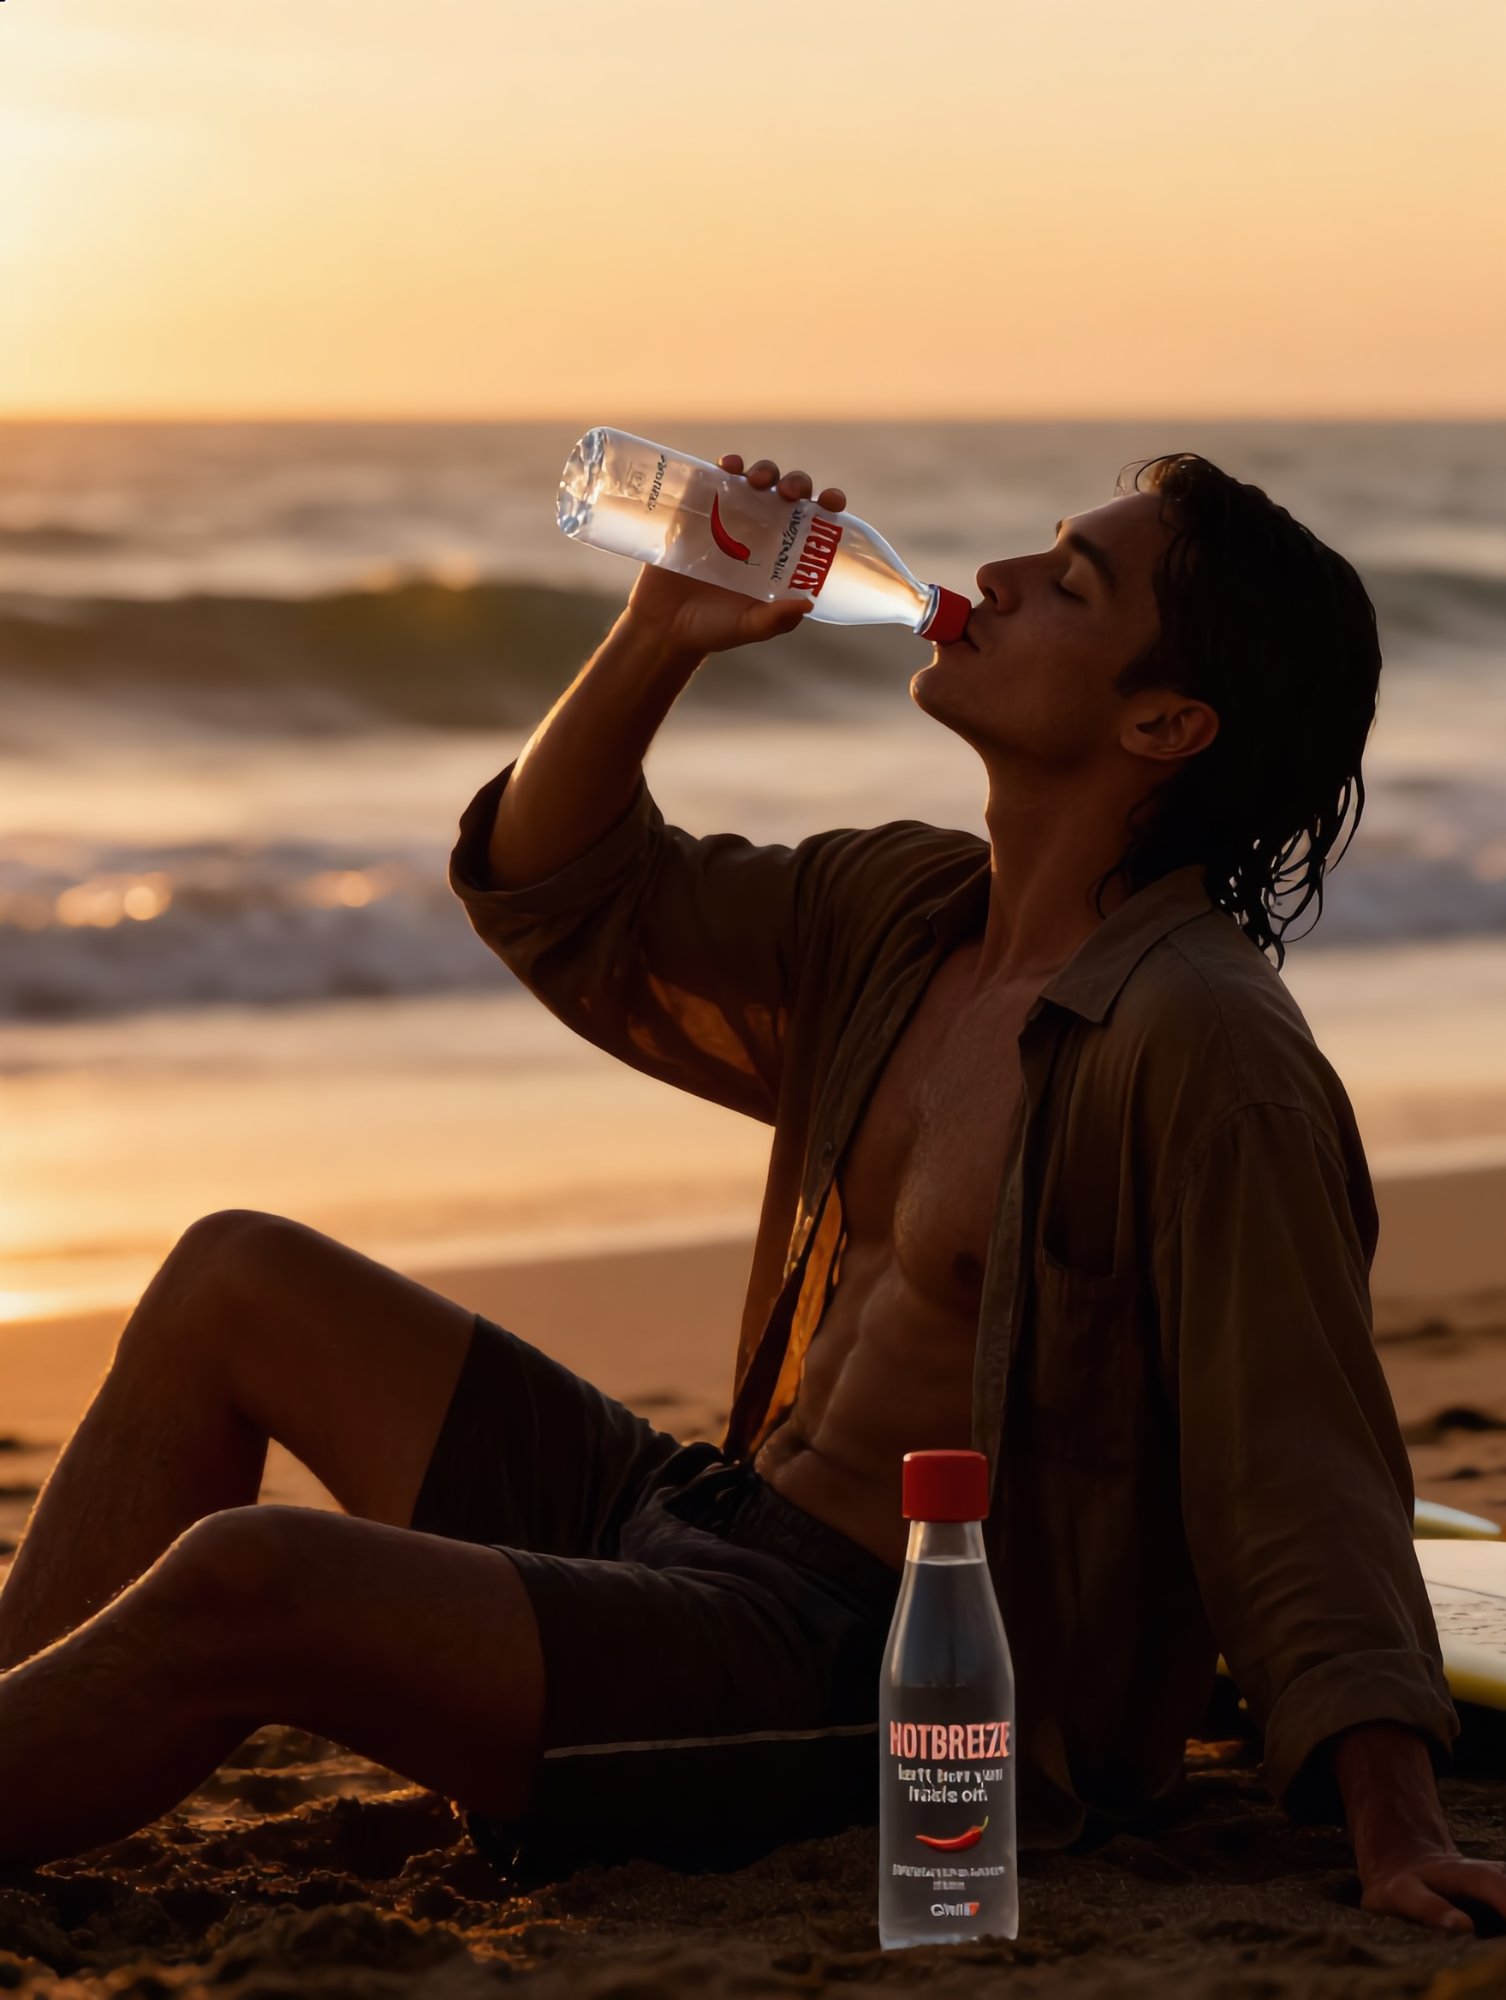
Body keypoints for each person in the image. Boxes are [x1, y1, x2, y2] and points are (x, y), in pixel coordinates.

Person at [0, 450, 1501, 1937]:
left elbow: (1299, 1454)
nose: (993, 580)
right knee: (236, 1278)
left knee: (261, 1575)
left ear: (1163, 720)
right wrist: (659, 633)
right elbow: (562, 887)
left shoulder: (1204, 1047)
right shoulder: (907, 916)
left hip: (882, 1678)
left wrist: (1394, 1828)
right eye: (1038, 546)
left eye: (1069, 583)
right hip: (711, 1527)